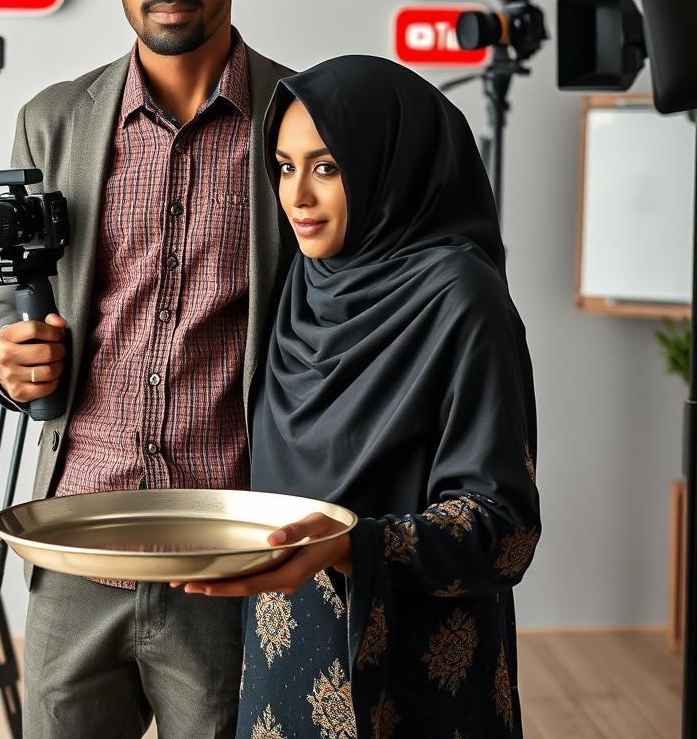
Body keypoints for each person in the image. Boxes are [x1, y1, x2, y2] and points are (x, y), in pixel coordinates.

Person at [0, 0, 293, 739]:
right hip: (76, 543)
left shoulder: (300, 121)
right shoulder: (51, 121)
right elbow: (6, 302)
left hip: (228, 552)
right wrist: (11, 359)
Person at [176, 55, 541, 739]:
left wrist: (355, 544)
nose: (298, 197)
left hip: (415, 678)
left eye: (327, 166)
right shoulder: (303, 286)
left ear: (388, 164)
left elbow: (505, 531)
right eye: (284, 167)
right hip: (283, 668)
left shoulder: (462, 299)